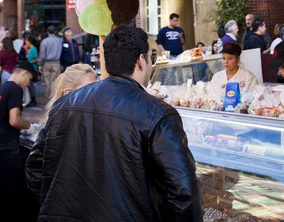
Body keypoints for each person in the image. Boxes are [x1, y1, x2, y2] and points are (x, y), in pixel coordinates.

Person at [26, 25, 203, 222]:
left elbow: (35, 168)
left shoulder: (64, 105)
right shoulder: (158, 112)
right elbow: (184, 192)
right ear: (141, 61)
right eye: (151, 57)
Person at [0, 62, 35, 210]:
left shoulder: (4, 87)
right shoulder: (15, 89)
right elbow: (14, 120)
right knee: (12, 189)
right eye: (29, 79)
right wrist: (30, 127)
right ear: (24, 74)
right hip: (8, 146)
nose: (28, 84)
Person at [38, 25, 62, 100]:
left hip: (46, 63)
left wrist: (40, 64)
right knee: (55, 80)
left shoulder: (44, 41)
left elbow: (42, 54)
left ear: (47, 32)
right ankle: (53, 97)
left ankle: (48, 97)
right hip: (56, 62)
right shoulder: (59, 40)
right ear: (55, 32)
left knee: (47, 81)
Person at [25, 34, 39, 107]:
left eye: (26, 40)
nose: (25, 42)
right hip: (30, 68)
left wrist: (30, 62)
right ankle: (31, 99)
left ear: (29, 41)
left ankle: (33, 100)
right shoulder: (29, 49)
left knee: (31, 85)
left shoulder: (33, 49)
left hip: (33, 69)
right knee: (29, 85)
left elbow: (37, 58)